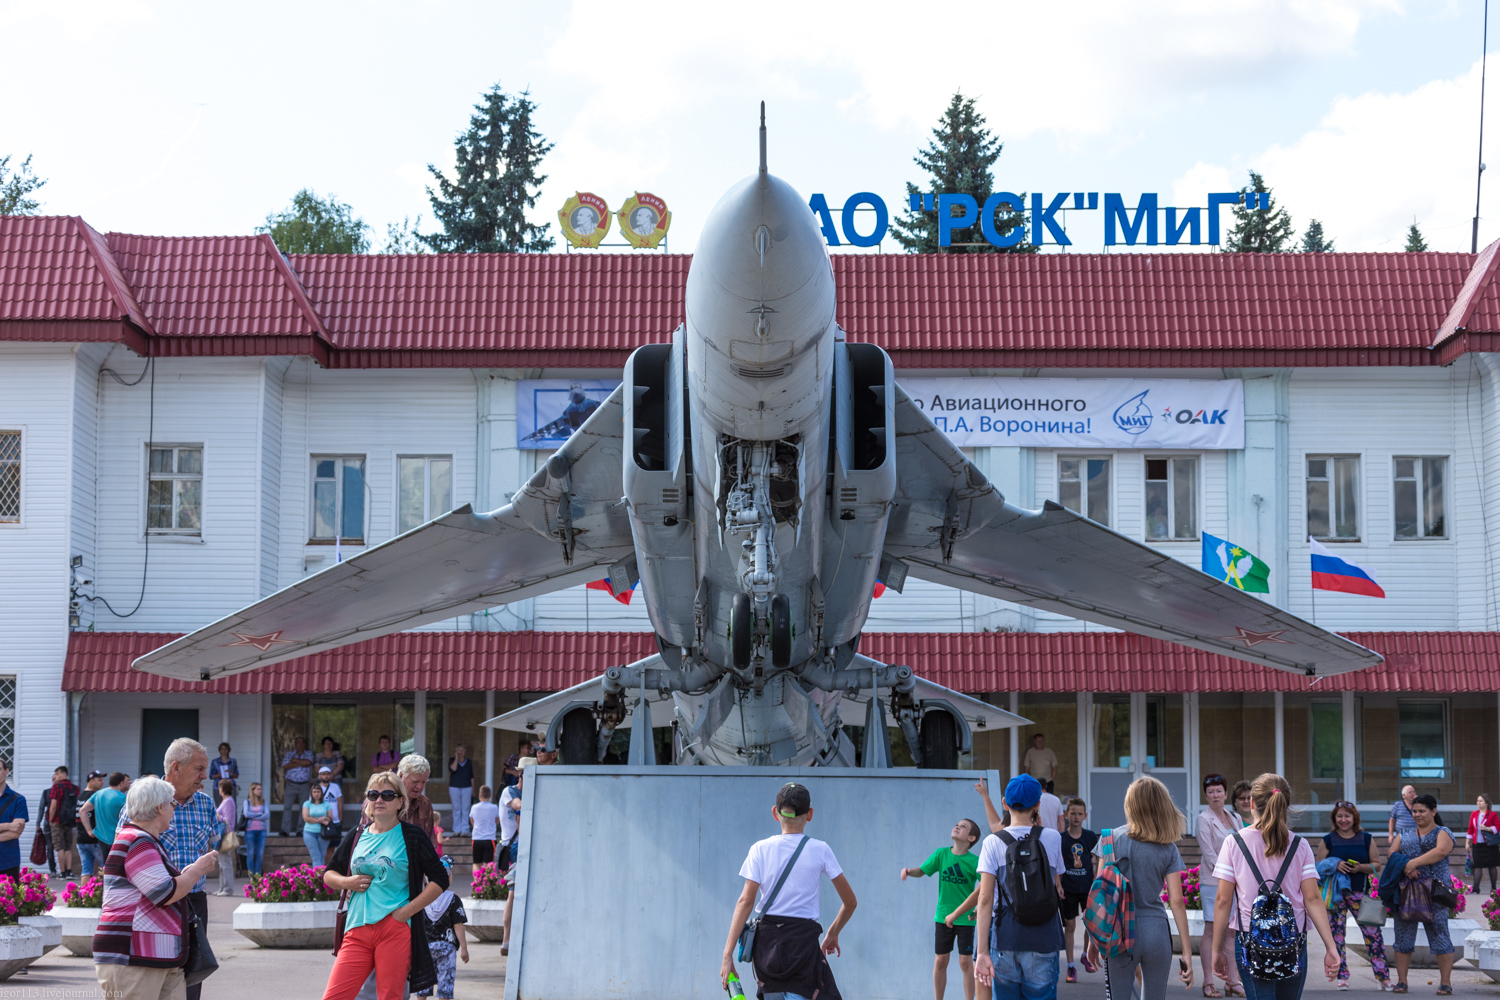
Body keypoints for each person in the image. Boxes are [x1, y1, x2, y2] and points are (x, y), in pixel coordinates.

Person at [720, 782, 857, 1000]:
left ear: (775, 813)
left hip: (767, 950)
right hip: (802, 948)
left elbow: (745, 902)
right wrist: (832, 933)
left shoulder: (759, 849)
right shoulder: (821, 850)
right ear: (810, 814)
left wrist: (727, 955)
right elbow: (850, 903)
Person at [1210, 773, 1341, 1000]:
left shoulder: (1233, 843)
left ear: (1252, 802)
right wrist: (1331, 947)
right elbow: (1312, 898)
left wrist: (1216, 949)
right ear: (1285, 805)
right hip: (1293, 939)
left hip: (1251, 939)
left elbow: (1223, 900)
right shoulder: (1300, 845)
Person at [322, 771, 449, 1000]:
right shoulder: (357, 834)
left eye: (387, 795)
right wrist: (347, 882)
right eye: (373, 794)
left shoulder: (412, 836)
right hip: (357, 927)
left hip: (394, 928)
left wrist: (407, 912)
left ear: (400, 801)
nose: (379, 800)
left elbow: (440, 878)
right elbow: (329, 874)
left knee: (390, 996)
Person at [93, 774, 218, 1000]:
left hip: (155, 955)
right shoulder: (137, 841)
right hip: (134, 955)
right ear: (160, 807)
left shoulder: (142, 839)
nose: (174, 810)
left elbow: (158, 887)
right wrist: (198, 870)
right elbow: (165, 893)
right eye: (172, 804)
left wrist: (187, 874)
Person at [1091, 776, 1195, 1000]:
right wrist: (1186, 951)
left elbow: (1100, 897)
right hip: (1156, 931)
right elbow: (1177, 901)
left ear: (1129, 805)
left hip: (1118, 931)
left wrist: (1093, 940)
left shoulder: (1109, 840)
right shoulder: (1167, 846)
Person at [973, 774, 1064, 1000]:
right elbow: (1055, 881)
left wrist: (982, 951)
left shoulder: (993, 842)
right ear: (1037, 805)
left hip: (1006, 938)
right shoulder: (1053, 838)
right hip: (1044, 937)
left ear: (1005, 803)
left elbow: (985, 899)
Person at [156, 738, 218, 1000]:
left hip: (194, 902)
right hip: (159, 901)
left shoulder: (206, 804)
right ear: (176, 768)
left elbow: (211, 845)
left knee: (193, 972)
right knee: (157, 974)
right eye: (199, 769)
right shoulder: (145, 802)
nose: (205, 776)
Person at [900, 817, 982, 1000]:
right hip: (942, 917)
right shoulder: (941, 854)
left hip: (965, 919)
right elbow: (922, 871)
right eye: (957, 824)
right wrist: (909, 872)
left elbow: (985, 887)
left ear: (971, 838)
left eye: (963, 827)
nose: (957, 827)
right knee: (940, 961)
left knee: (965, 962)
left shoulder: (975, 861)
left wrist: (977, 909)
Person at [1316, 801, 1388, 990]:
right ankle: (1342, 976)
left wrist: (1360, 868)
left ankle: (1383, 977)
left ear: (1354, 818)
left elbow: (1377, 865)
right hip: (1334, 895)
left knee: (1373, 935)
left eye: (1347, 816)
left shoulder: (1366, 838)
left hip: (1361, 894)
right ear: (1334, 818)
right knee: (1336, 937)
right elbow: (1318, 867)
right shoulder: (1328, 840)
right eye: (1339, 816)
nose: (1343, 819)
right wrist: (1335, 864)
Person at [1390, 793, 1456, 995]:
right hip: (1407, 891)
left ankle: (1445, 983)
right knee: (1403, 936)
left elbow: (1441, 852)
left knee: (1439, 935)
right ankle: (1402, 981)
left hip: (1435, 893)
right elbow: (1392, 854)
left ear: (1433, 811)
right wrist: (1406, 866)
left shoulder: (1443, 831)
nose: (1417, 814)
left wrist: (1412, 863)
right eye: (1414, 811)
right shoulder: (1404, 832)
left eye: (1422, 811)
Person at [1197, 773, 1246, 998]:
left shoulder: (1235, 818)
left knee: (1231, 931)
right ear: (1206, 796)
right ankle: (1208, 982)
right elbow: (1210, 856)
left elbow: (1243, 848)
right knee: (1211, 930)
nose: (1215, 795)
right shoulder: (1203, 819)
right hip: (1213, 883)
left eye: (1219, 791)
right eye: (1211, 792)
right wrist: (1232, 876)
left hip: (1235, 882)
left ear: (1226, 794)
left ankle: (1232, 981)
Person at [1059, 797, 1100, 985]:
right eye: (1073, 813)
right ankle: (1070, 966)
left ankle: (1085, 955)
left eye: (1079, 814)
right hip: (1068, 888)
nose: (1076, 817)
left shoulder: (1090, 837)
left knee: (1090, 924)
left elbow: (1098, 858)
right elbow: (1057, 863)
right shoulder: (1061, 838)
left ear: (1085, 816)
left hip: (1087, 887)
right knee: (1070, 927)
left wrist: (1097, 879)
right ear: (1066, 815)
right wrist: (1058, 884)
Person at [499, 759, 532, 955]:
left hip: (525, 844)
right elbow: (519, 805)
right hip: (515, 846)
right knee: (514, 892)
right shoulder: (510, 792)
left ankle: (511, 940)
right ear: (522, 775)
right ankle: (507, 940)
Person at [414, 888, 469, 1000]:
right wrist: (464, 948)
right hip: (446, 949)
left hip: (425, 947)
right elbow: (458, 925)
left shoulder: (421, 898)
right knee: (445, 986)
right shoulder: (453, 899)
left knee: (423, 985)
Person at [46, 764, 80, 879]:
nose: (55, 776)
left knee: (59, 847)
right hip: (70, 820)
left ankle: (62, 872)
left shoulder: (56, 787)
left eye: (57, 773)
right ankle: (69, 872)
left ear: (63, 774)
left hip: (57, 820)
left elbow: (53, 806)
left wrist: (50, 819)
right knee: (68, 847)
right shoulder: (75, 788)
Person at [396, 754, 437, 846]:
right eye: (415, 781)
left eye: (424, 782)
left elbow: (430, 846)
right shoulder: (380, 800)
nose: (419, 787)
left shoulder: (425, 804)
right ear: (401, 776)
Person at [0, 756, 28, 881]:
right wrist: (8, 826)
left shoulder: (18, 800)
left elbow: (16, 832)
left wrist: (12, 828)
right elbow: (12, 828)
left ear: (7, 771)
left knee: (10, 894)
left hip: (8, 861)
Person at [75, 770, 107, 878]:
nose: (102, 782)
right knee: (107, 869)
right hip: (94, 839)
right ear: (91, 781)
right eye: (99, 780)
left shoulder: (81, 796)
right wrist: (90, 831)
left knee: (86, 870)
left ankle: (85, 889)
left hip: (81, 839)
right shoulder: (95, 796)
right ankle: (105, 889)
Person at [281, 736, 314, 836]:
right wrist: (301, 763)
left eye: (302, 742)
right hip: (291, 784)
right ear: (295, 744)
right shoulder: (290, 754)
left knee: (304, 807)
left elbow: (308, 762)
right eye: (298, 742)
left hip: (304, 784)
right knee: (287, 807)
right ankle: (285, 830)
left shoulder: (309, 754)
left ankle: (300, 830)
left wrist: (295, 761)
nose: (300, 744)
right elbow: (285, 765)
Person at [1467, 794, 1500, 893]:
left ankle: (1493, 888)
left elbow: (1498, 827)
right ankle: (1476, 887)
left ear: (1486, 803)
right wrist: (1467, 842)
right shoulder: (1474, 814)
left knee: (1492, 866)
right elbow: (1470, 829)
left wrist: (1487, 828)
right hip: (1477, 844)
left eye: (1481, 801)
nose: (1478, 803)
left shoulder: (1493, 814)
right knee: (1477, 866)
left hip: (1490, 845)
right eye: (1477, 801)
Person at [90, 772, 129, 854]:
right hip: (117, 838)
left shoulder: (98, 793)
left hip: (101, 837)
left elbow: (82, 810)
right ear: (121, 783)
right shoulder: (123, 798)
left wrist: (89, 830)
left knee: (104, 861)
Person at [212, 779, 237, 895]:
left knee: (225, 863)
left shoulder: (228, 801)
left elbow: (228, 820)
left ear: (223, 788)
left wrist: (218, 816)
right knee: (222, 863)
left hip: (225, 834)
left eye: (220, 787)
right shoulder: (226, 801)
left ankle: (227, 889)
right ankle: (222, 888)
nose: (218, 789)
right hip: (222, 834)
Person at [303, 783, 336, 865]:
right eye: (314, 792)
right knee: (316, 856)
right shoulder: (307, 804)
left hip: (323, 833)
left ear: (321, 793)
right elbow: (306, 818)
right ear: (311, 793)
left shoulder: (326, 804)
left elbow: (330, 818)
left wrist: (324, 818)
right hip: (309, 832)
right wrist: (320, 820)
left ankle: (320, 872)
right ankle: (318, 873)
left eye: (318, 792)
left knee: (322, 855)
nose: (316, 794)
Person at [446, 745, 474, 838]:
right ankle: (456, 830)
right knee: (456, 809)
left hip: (467, 787)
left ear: (465, 751)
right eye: (458, 750)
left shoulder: (468, 762)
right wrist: (456, 758)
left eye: (462, 750)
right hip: (454, 787)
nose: (460, 752)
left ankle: (465, 830)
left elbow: (472, 777)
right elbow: (453, 769)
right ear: (455, 751)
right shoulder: (452, 760)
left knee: (466, 809)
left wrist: (473, 790)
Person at [243, 782, 269, 875]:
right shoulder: (247, 802)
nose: (260, 791)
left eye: (261, 789)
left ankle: (257, 876)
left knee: (260, 854)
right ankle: (251, 876)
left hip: (262, 830)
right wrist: (260, 814)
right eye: (258, 789)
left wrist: (253, 815)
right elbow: (246, 814)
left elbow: (267, 815)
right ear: (253, 790)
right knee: (250, 853)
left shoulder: (264, 802)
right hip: (250, 831)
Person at [470, 785, 498, 867]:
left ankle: (476, 876)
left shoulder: (474, 807)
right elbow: (497, 821)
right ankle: (488, 876)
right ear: (490, 796)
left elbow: (472, 821)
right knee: (488, 864)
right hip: (490, 838)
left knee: (476, 863)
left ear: (479, 796)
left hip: (477, 838)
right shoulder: (494, 807)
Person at [1389, 785, 1419, 853]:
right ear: (1404, 795)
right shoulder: (1397, 805)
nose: (1413, 794)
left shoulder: (1418, 804)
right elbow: (1392, 820)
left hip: (1416, 837)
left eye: (1414, 792)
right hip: (1401, 837)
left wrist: (1418, 801)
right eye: (1410, 792)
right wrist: (1391, 835)